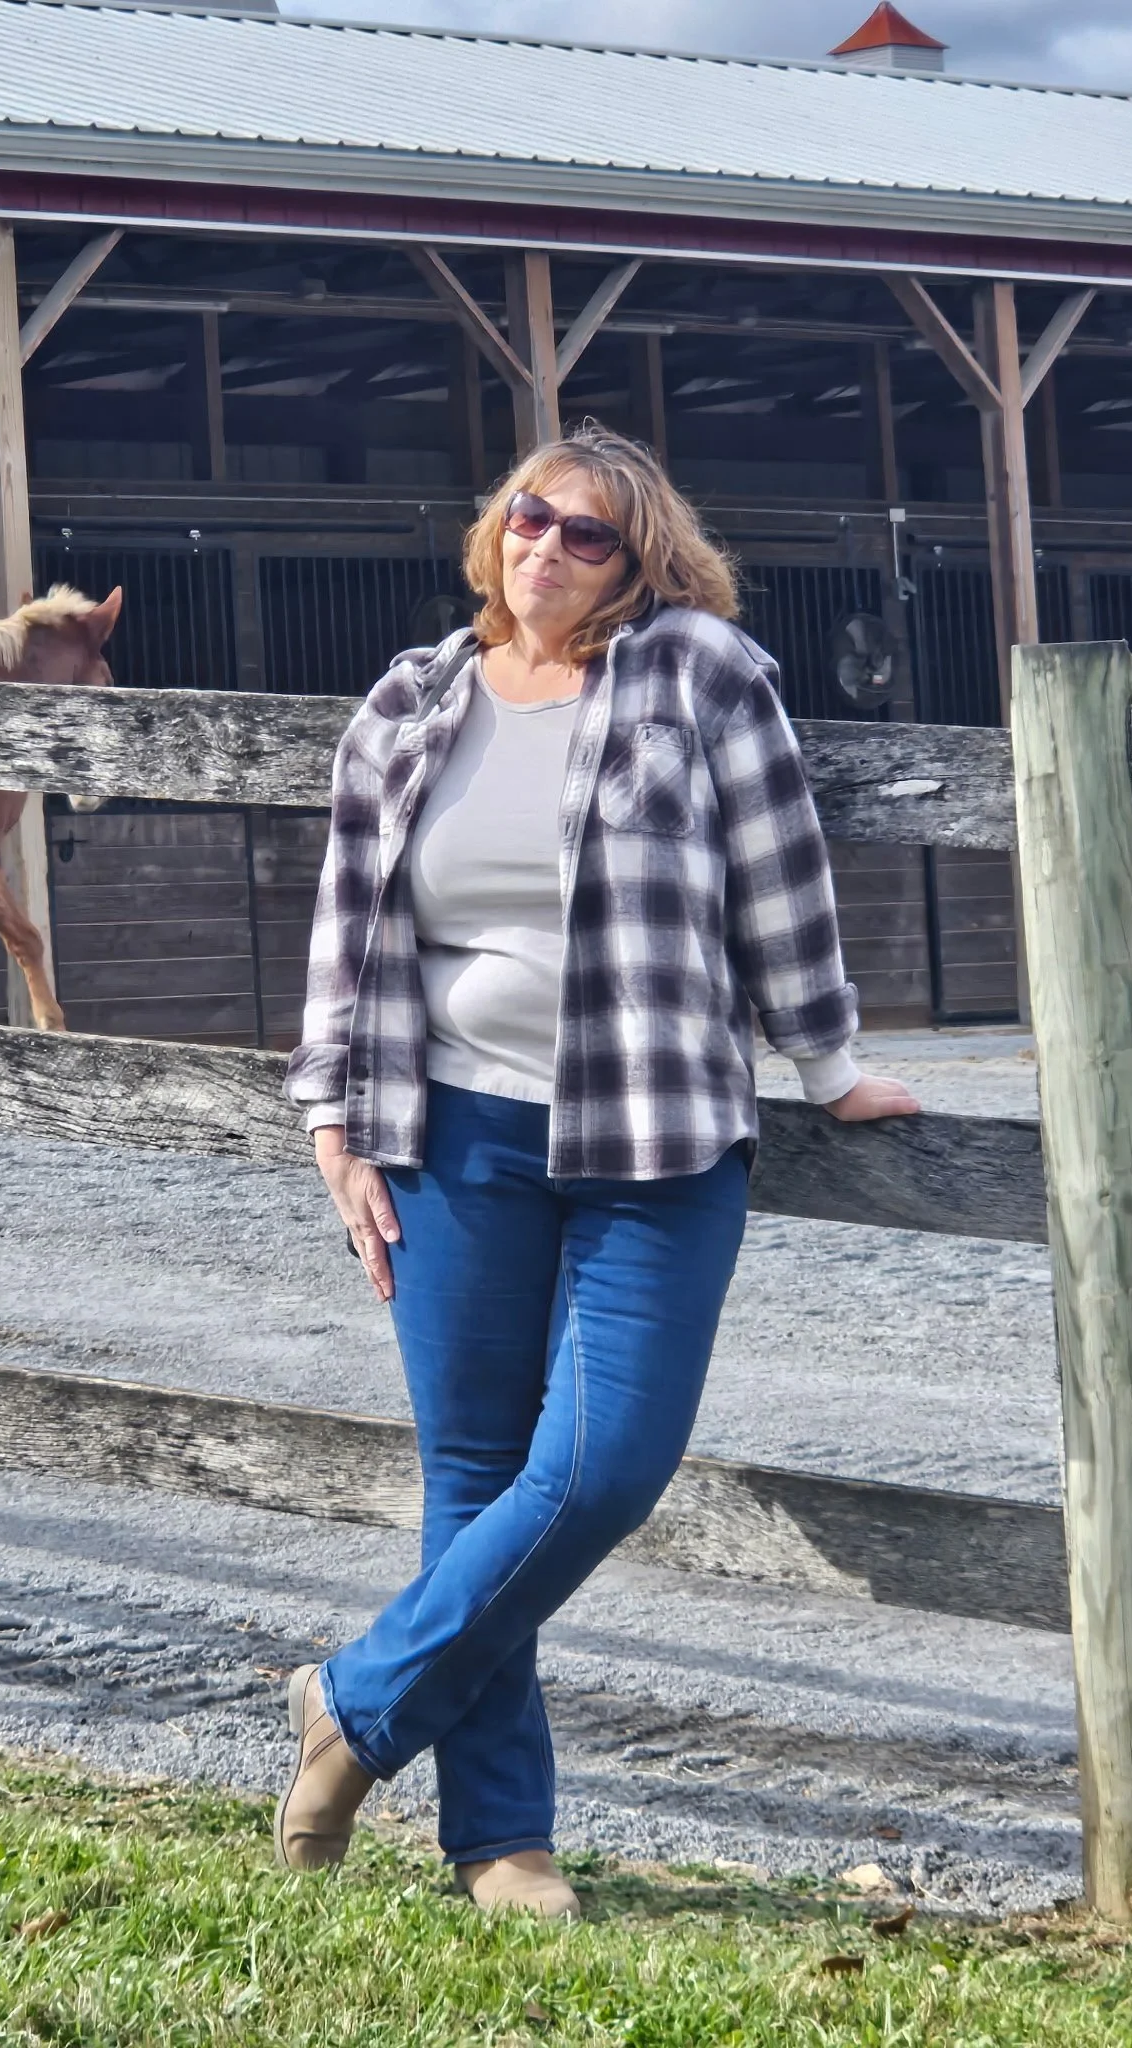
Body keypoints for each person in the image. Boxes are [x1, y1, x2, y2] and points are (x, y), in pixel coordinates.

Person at [280, 423, 919, 1921]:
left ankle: (352, 1706)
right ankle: (501, 1840)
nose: (547, 549)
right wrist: (334, 1124)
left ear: (644, 561)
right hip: (452, 1140)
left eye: (589, 537)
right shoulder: (413, 697)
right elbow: (350, 922)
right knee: (476, 1481)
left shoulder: (700, 676)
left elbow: (782, 881)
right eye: (528, 517)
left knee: (606, 1464)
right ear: (492, 525)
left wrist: (828, 1064)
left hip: (658, 1139)